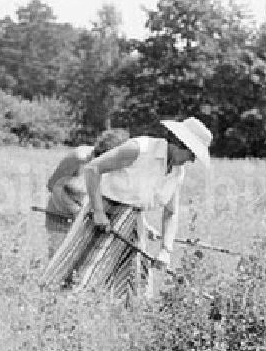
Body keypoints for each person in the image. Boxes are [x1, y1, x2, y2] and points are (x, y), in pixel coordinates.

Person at [40, 117, 212, 301]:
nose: (192, 160)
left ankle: (124, 322)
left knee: (135, 286)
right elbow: (93, 169)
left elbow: (171, 212)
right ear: (179, 143)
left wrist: (165, 250)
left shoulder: (177, 171)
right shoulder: (139, 149)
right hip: (105, 216)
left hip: (133, 223)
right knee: (83, 275)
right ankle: (58, 316)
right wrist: (98, 212)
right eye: (192, 154)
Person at [43, 129, 130, 258]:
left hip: (87, 223)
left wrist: (144, 225)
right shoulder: (79, 158)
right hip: (61, 219)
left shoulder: (116, 166)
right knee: (59, 266)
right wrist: (77, 210)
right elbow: (53, 185)